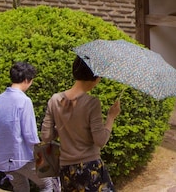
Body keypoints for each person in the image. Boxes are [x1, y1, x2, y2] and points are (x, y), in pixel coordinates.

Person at [40, 56, 121, 192]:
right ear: (94, 77)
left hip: (65, 169)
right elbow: (100, 140)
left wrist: (63, 128)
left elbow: (46, 137)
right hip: (89, 168)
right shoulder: (92, 103)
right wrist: (111, 117)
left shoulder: (54, 99)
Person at [0, 61, 59, 192]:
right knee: (47, 184)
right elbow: (30, 135)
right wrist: (42, 153)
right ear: (27, 80)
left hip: (2, 158)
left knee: (20, 188)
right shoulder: (24, 100)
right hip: (21, 156)